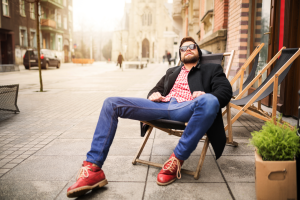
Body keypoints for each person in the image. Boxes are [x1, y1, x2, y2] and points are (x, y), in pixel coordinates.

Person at [67, 36, 232, 198]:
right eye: (183, 48)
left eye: (192, 46)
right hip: (160, 105)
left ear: (198, 51)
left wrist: (204, 95)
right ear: (180, 55)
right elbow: (155, 90)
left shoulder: (211, 69)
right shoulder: (171, 72)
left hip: (186, 107)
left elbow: (225, 91)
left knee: (210, 100)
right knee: (111, 103)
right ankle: (93, 168)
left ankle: (176, 160)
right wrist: (154, 94)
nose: (187, 49)